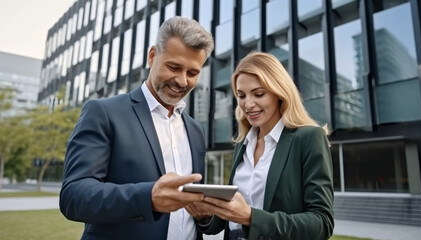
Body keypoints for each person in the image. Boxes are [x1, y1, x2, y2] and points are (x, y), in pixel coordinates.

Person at [59, 16, 214, 240]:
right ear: (152, 56)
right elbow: (74, 196)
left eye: (192, 73)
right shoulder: (103, 113)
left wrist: (204, 216)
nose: (182, 81)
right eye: (174, 67)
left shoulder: (195, 130)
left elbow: (194, 212)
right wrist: (148, 198)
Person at [190, 52, 334, 240]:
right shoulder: (243, 144)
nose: (248, 104)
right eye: (241, 95)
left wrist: (251, 218)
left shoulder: (308, 138)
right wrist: (204, 214)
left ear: (279, 92)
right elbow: (230, 219)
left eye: (258, 94)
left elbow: (322, 223)